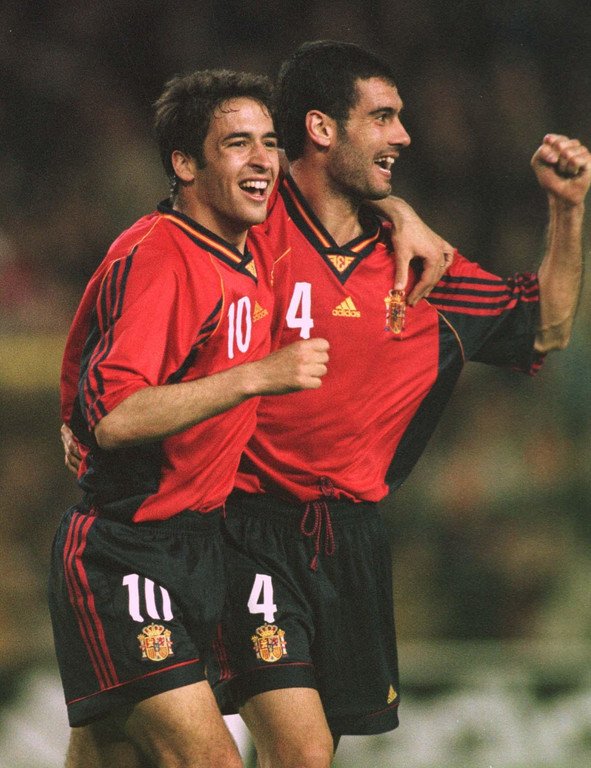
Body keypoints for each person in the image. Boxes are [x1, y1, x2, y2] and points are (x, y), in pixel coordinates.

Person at [204, 41, 591, 768]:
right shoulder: (249, 223)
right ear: (321, 128)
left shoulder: (423, 268)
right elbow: (192, 175)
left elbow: (546, 325)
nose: (404, 135)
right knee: (300, 751)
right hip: (244, 526)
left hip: (351, 539)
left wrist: (566, 211)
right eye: (382, 117)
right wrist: (397, 205)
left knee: (304, 753)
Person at [49, 68, 333, 768]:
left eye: (270, 141)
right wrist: (256, 376)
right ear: (184, 164)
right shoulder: (160, 255)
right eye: (238, 144)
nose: (263, 160)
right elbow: (115, 414)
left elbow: (87, 345)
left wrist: (409, 218)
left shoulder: (243, 244)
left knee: (112, 756)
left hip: (202, 545)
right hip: (127, 550)